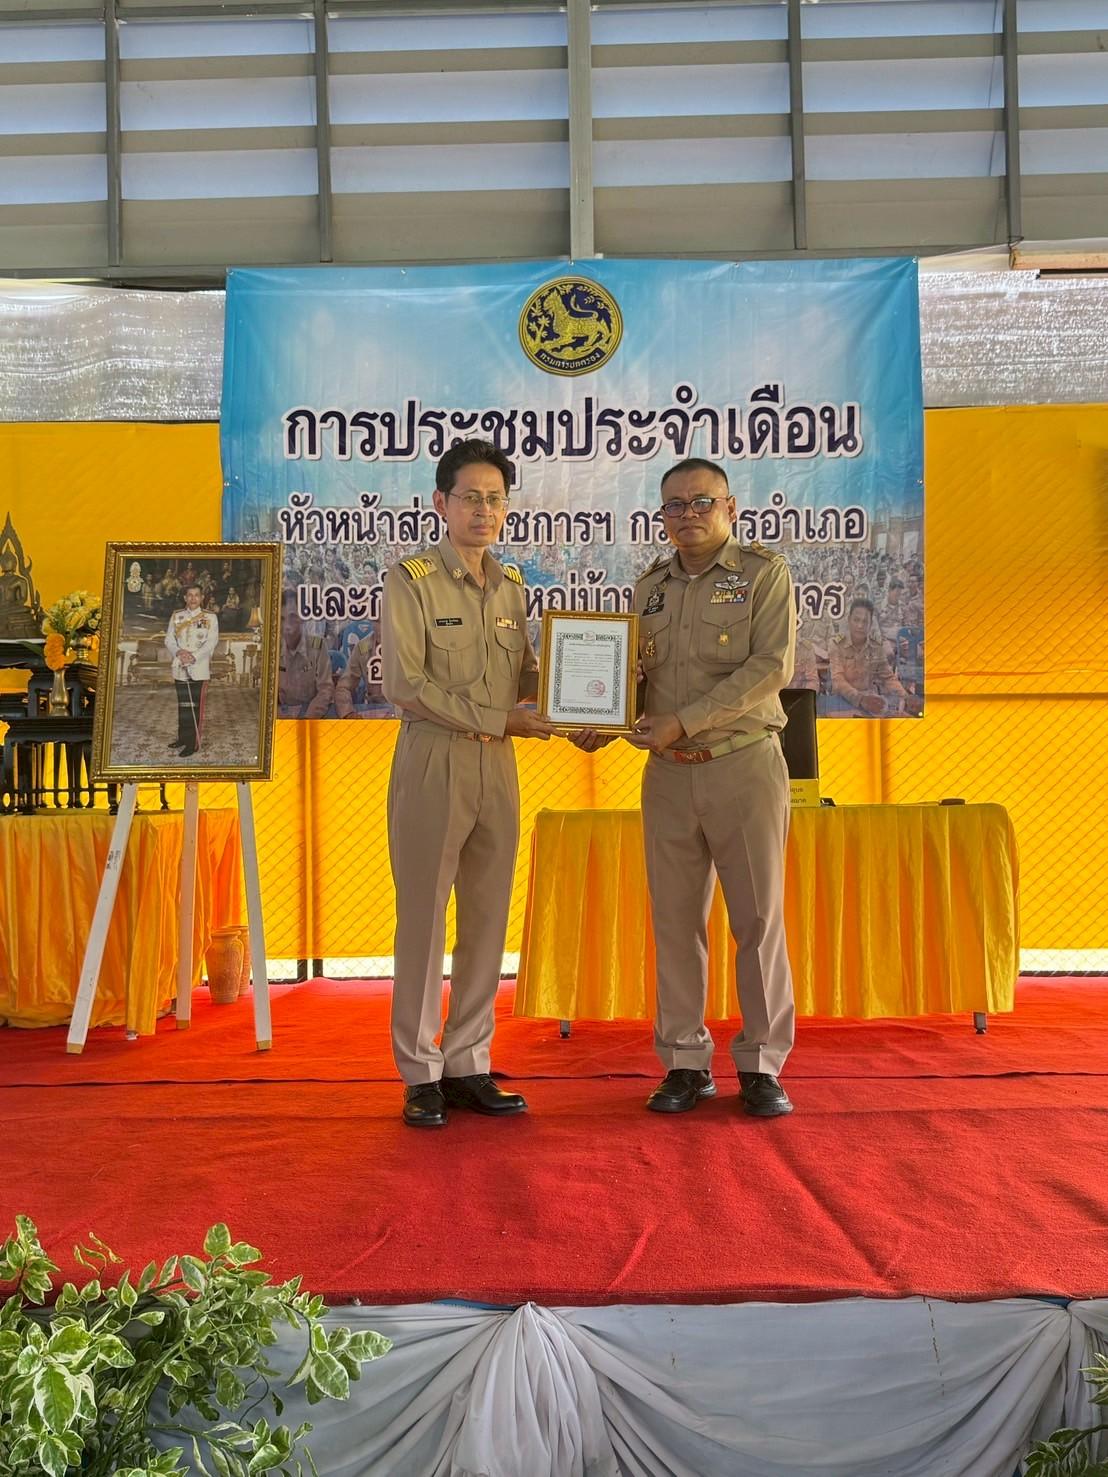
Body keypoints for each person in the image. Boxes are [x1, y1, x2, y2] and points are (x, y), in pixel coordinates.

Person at [575, 457, 798, 1118]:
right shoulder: (650, 589)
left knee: (757, 921)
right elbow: (635, 678)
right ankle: (683, 1061)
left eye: (702, 501)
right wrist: (602, 718)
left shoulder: (763, 575)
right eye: (675, 505)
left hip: (743, 765)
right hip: (669, 776)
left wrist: (686, 720)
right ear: (662, 516)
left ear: (730, 508)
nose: (688, 514)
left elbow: (771, 667)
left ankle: (760, 1063)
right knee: (674, 922)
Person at [380, 438, 556, 1128]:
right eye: (471, 498)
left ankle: (468, 1062)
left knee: (487, 918)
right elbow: (407, 685)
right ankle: (421, 1071)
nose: (484, 511)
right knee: (424, 919)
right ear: (441, 503)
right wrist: (499, 719)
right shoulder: (412, 581)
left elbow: (529, 677)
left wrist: (597, 688)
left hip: (498, 766)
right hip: (435, 758)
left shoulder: (510, 587)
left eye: (496, 499)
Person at [829, 598, 921, 716]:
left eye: (865, 621)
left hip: (871, 701)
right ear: (849, 620)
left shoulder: (876, 646)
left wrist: (906, 696)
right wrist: (860, 699)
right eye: (856, 620)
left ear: (870, 624)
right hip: (842, 701)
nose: (860, 625)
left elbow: (888, 677)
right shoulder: (836, 644)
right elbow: (837, 680)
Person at [165, 584, 219, 757]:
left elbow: (211, 642)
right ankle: (182, 738)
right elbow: (169, 640)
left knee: (195, 708)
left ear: (202, 598)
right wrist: (179, 652)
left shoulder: (210, 617)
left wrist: (193, 657)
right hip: (180, 666)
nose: (193, 598)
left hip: (198, 667)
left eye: (197, 595)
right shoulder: (177, 616)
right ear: (185, 598)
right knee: (183, 706)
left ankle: (192, 744)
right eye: (190, 595)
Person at [278, 590, 334, 717]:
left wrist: (308, 718)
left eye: (292, 618)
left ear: (302, 618)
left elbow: (326, 690)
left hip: (311, 714)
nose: (286, 626)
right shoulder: (274, 650)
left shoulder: (318, 647)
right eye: (282, 619)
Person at [334, 631, 377, 717]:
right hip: (375, 710)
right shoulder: (362, 648)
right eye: (378, 623)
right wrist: (348, 713)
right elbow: (344, 687)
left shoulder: (404, 644)